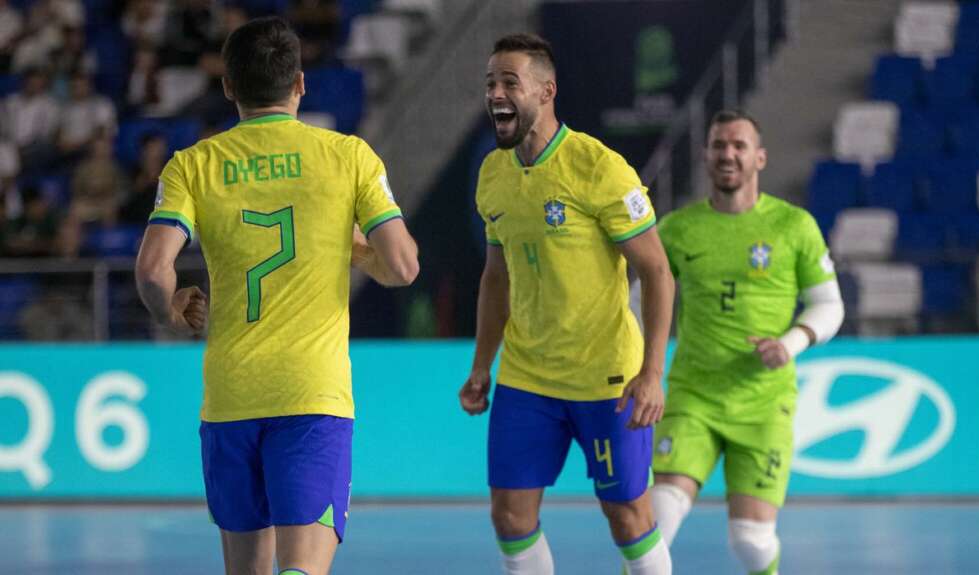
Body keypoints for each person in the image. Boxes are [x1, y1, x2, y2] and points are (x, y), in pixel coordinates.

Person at [134, 16, 418, 575]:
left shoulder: (193, 164)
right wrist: (356, 249)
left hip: (231, 398)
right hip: (312, 395)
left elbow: (151, 268)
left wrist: (168, 308)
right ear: (301, 84)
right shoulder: (348, 156)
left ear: (229, 87)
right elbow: (404, 266)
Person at [458, 33, 675, 575]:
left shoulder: (599, 168)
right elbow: (495, 277)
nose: (496, 93)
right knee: (509, 517)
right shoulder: (492, 174)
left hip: (606, 377)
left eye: (510, 81)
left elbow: (656, 270)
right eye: (490, 83)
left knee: (627, 516)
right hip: (527, 377)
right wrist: (482, 365)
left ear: (546, 90)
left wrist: (652, 372)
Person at [648, 110, 845, 575]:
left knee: (751, 543)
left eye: (738, 146)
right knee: (657, 522)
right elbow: (640, 303)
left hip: (763, 402)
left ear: (759, 157)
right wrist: (639, 366)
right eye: (719, 146)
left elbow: (830, 305)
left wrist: (792, 342)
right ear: (705, 156)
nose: (728, 154)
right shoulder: (677, 229)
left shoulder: (794, 226)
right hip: (692, 394)